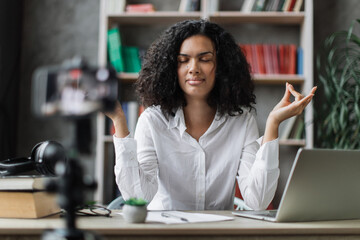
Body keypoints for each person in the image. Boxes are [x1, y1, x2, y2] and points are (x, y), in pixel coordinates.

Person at [106, 19, 316, 211]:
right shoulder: (152, 120)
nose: (193, 68)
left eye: (204, 59)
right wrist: (119, 120)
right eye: (183, 60)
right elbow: (139, 196)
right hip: (165, 233)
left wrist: (273, 124)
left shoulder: (242, 120)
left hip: (220, 233)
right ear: (171, 67)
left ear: (221, 67)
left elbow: (258, 201)